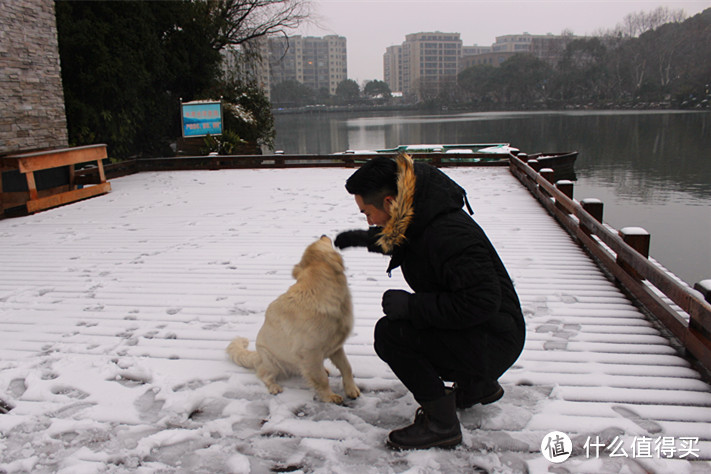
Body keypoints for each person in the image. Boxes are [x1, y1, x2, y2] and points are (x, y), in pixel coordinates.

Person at [335, 153, 525, 450]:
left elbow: (481, 302)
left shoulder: (448, 233)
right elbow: (405, 239)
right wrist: (359, 238)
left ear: (388, 203)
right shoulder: (420, 213)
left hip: (497, 338)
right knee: (405, 323)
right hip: (490, 330)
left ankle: (442, 424)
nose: (369, 220)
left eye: (366, 213)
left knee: (390, 334)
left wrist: (412, 307)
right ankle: (477, 386)